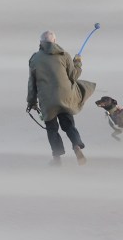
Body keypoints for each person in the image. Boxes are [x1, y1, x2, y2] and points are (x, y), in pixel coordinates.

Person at [27, 30, 97, 165]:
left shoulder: (34, 59)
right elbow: (74, 76)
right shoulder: (64, 55)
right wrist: (77, 62)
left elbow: (32, 83)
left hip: (47, 101)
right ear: (55, 41)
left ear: (40, 43)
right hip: (66, 97)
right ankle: (76, 146)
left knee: (52, 129)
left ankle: (57, 159)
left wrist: (31, 102)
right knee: (68, 124)